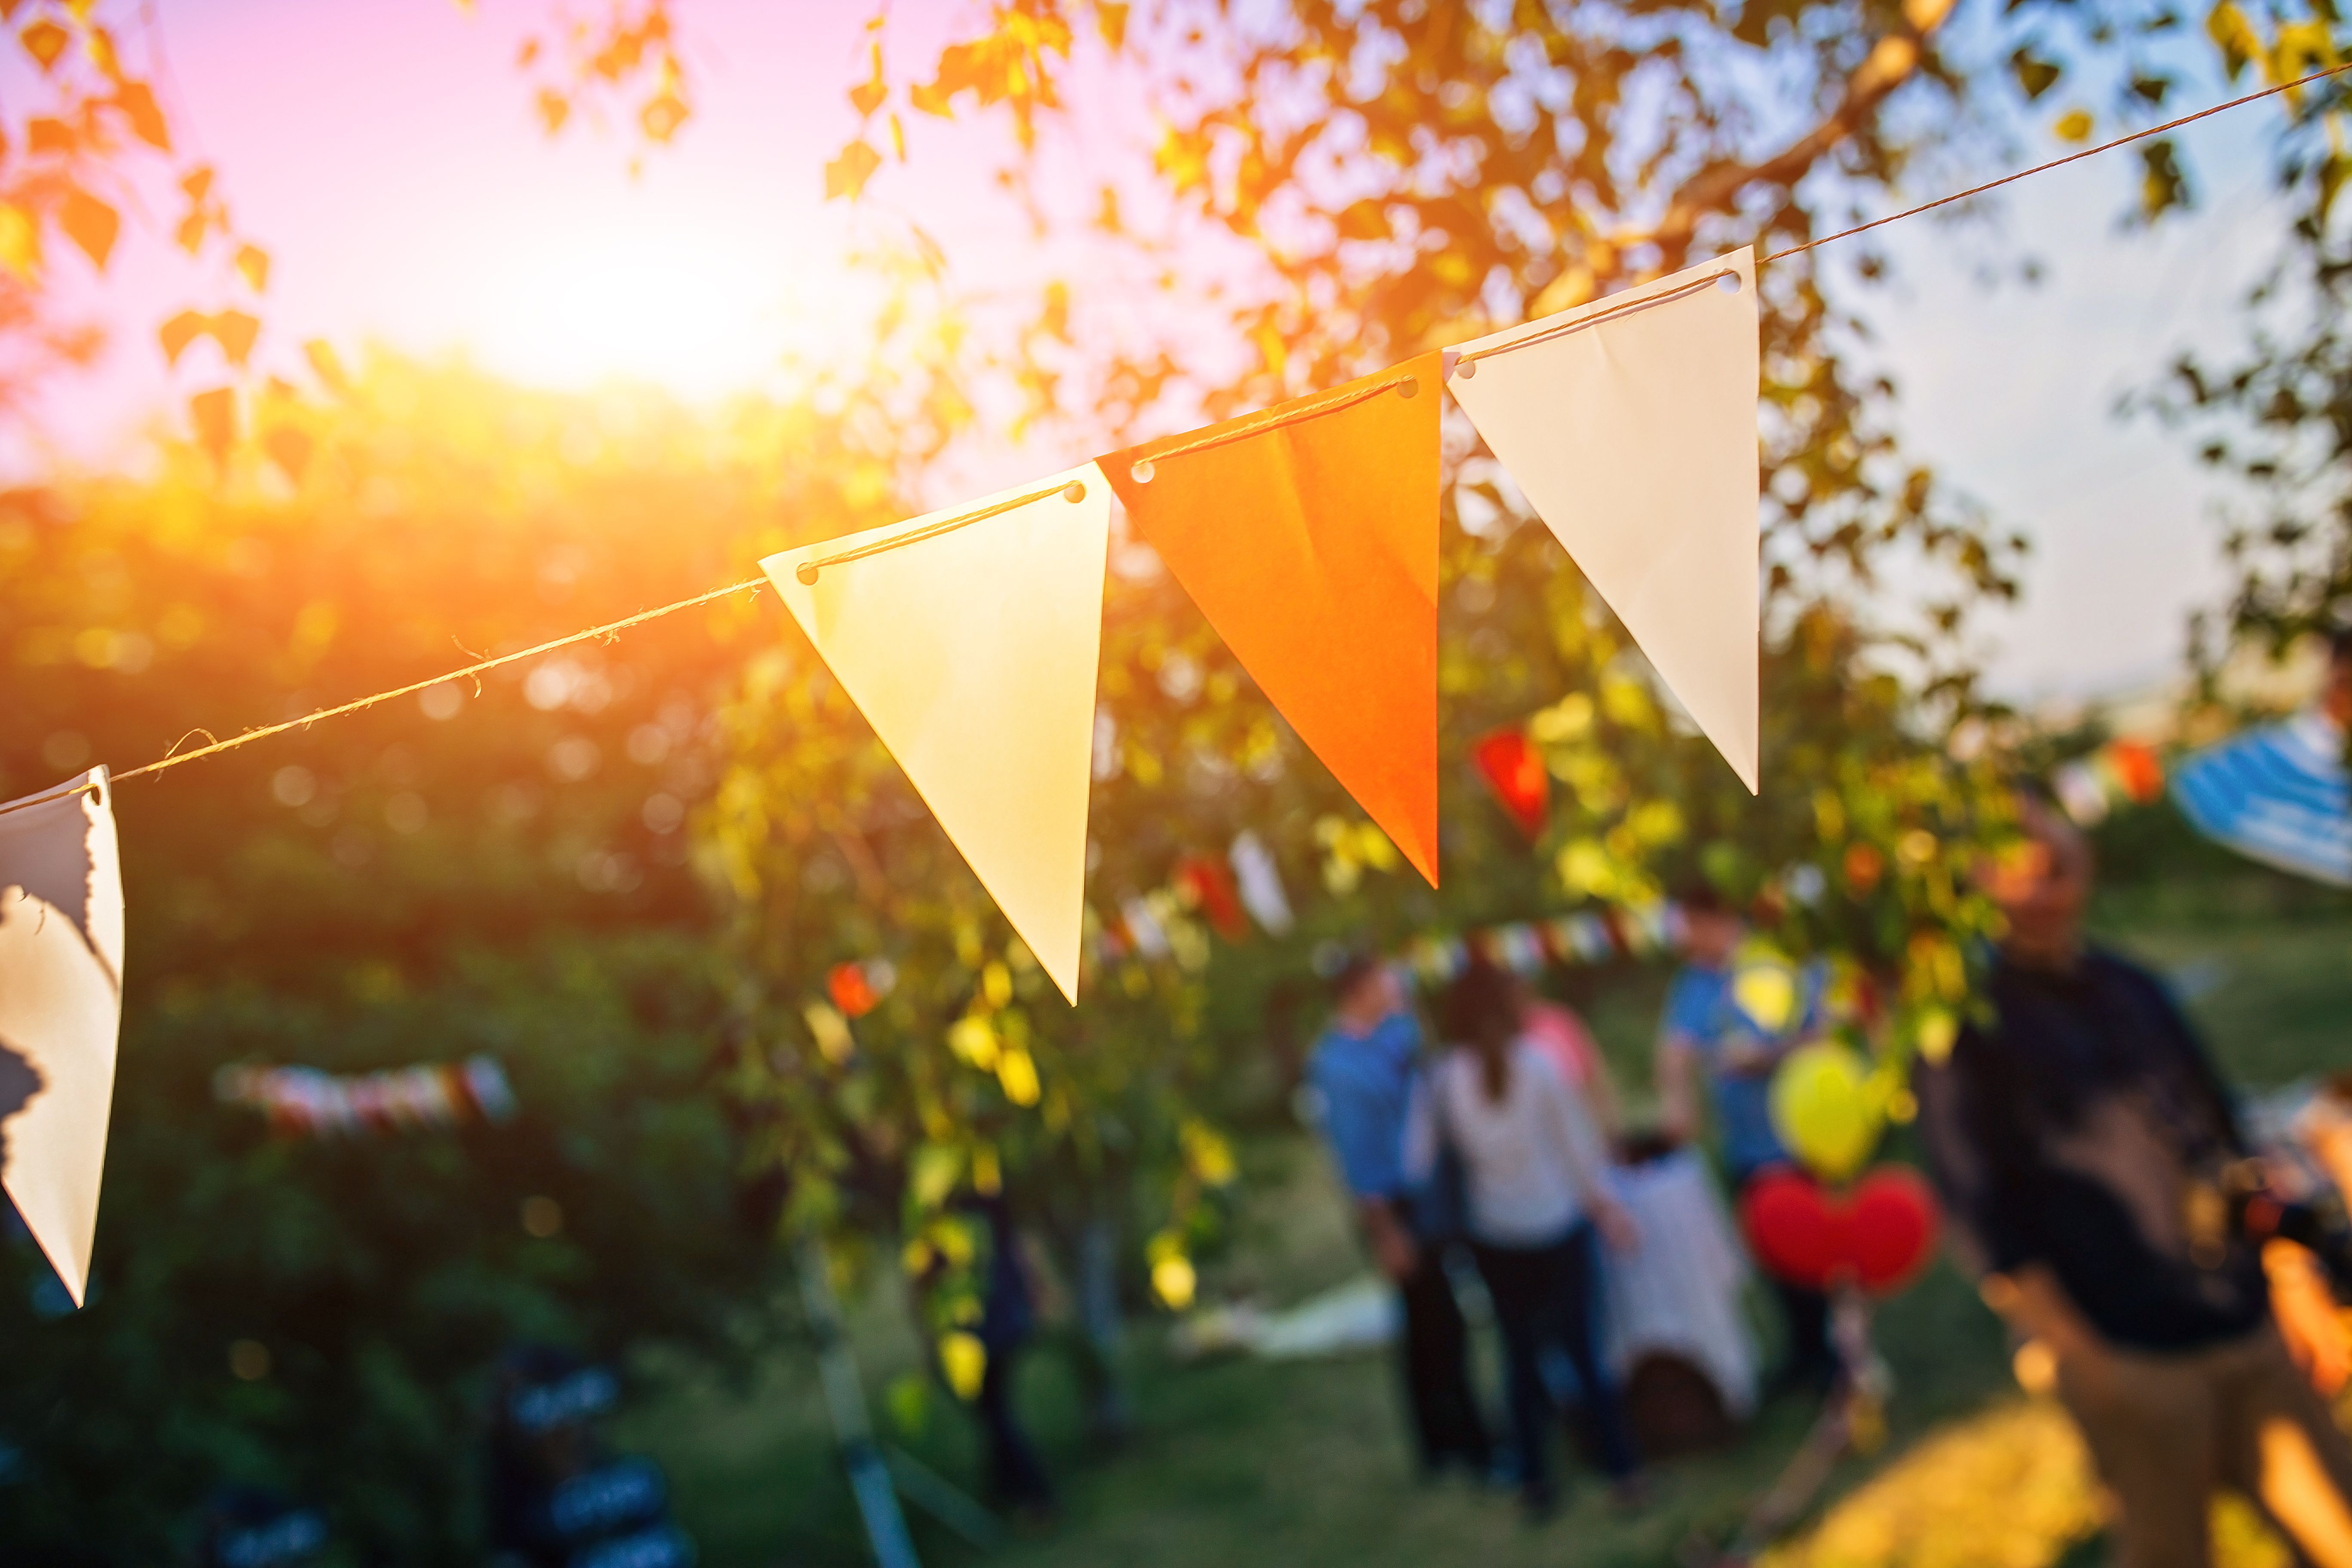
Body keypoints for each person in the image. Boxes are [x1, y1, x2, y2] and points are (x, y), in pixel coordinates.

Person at [1917, 793, 2352, 1568]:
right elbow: (1983, 1216)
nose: (2039, 888)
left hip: (2242, 1322)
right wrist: (2085, 1360)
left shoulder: (2129, 985)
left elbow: (2223, 1144)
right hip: (2131, 1352)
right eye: (2013, 869)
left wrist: (2292, 1276)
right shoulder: (1963, 1027)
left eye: (2052, 865)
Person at [1408, 959, 1646, 1519]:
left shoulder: (1441, 1078)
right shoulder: (1538, 1065)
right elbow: (1577, 1151)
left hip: (1494, 1237)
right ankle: (1623, 1471)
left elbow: (1416, 1162)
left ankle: (1536, 1483)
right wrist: (1608, 1210)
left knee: (1519, 1360)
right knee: (1584, 1352)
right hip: (1558, 1226)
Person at [1306, 954, 1492, 1481]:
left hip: (1432, 1200)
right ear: (1358, 991)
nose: (1393, 986)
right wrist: (1387, 1234)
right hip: (1395, 1210)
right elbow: (1358, 1160)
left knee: (1443, 1325)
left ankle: (1456, 1440)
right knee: (1431, 1329)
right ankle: (1454, 1445)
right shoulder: (1336, 1065)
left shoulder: (1394, 1035)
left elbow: (1426, 1068)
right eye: (1382, 981)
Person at [1654, 884, 1836, 1392]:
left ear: (1715, 919)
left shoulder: (1777, 962)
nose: (1683, 939)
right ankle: (1805, 1355)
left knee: (1814, 1255)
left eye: (1689, 926)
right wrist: (1678, 1101)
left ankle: (1838, 1359)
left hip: (1800, 1138)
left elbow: (1827, 1031)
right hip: (1746, 1146)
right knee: (1774, 1256)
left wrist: (1769, 1057)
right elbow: (1675, 1050)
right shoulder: (1695, 982)